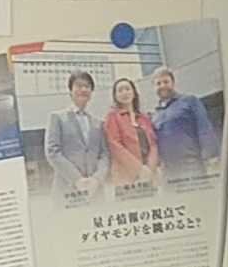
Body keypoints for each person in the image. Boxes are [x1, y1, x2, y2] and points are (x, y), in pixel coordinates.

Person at [45, 71, 109, 199]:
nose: (83, 89)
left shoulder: (98, 123)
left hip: (95, 191)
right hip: (67, 190)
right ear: (70, 91)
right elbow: (53, 152)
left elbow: (104, 155)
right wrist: (77, 179)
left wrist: (96, 179)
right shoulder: (57, 118)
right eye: (79, 86)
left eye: (87, 86)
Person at [149, 65, 218, 178]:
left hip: (192, 165)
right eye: (158, 83)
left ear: (173, 83)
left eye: (166, 82)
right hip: (169, 171)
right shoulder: (154, 115)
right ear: (154, 87)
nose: (162, 86)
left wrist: (211, 156)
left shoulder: (189, 101)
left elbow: (204, 127)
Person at [105, 73, 161, 189]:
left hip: (149, 175)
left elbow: (153, 144)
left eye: (127, 89)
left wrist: (150, 168)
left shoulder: (144, 118)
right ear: (115, 96)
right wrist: (139, 169)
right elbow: (115, 146)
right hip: (127, 178)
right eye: (120, 90)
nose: (124, 93)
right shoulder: (112, 117)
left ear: (134, 93)